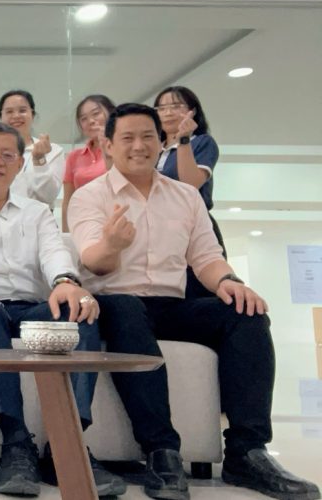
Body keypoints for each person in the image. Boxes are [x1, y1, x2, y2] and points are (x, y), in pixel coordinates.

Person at [68, 103, 319, 500]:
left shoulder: (186, 196)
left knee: (246, 314)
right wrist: (113, 244)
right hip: (116, 302)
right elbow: (92, 261)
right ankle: (161, 451)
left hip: (172, 303)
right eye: (128, 138)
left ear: (161, 141)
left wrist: (229, 281)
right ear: (109, 146)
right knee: (127, 309)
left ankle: (247, 451)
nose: (139, 146)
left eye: (148, 137)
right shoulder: (89, 197)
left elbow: (205, 257)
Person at [0, 122, 123, 498]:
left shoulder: (37, 212)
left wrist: (65, 282)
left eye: (7, 155)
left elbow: (54, 251)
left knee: (79, 312)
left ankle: (67, 442)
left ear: (20, 164)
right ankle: (16, 442)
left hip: (30, 307)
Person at [154, 85, 224, 298]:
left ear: (192, 111)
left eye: (176, 106)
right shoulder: (153, 148)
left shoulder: (201, 142)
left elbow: (190, 183)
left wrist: (183, 139)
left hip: (193, 225)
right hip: (159, 227)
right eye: (161, 108)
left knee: (198, 290)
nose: (167, 113)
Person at [0, 90, 64, 209]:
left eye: (22, 110)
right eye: (9, 111)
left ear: (32, 115)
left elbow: (48, 196)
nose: (16, 116)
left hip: (39, 217)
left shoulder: (52, 150)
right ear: (1, 117)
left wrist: (39, 160)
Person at [62, 94, 115, 231]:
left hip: (114, 220)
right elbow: (68, 202)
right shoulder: (74, 157)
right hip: (83, 224)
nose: (90, 121)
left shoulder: (122, 150)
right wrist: (66, 234)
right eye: (83, 119)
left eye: (96, 114)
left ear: (111, 113)